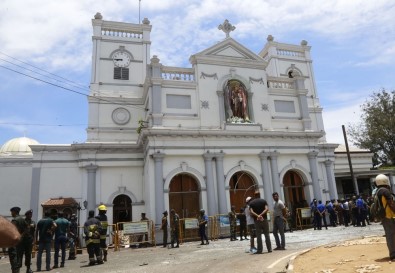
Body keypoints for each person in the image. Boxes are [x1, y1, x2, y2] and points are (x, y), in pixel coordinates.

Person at [373, 174, 395, 260]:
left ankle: (393, 253)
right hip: (389, 216)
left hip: (384, 217)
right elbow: (391, 204)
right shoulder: (385, 191)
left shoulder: (377, 191)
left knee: (389, 234)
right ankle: (393, 254)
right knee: (391, 235)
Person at [8, 207, 27, 273]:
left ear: (14, 212)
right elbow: (27, 229)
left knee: (14, 259)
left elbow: (11, 231)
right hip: (20, 242)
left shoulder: (15, 220)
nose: (11, 213)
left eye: (11, 212)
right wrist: (21, 236)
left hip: (14, 242)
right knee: (19, 258)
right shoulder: (22, 219)